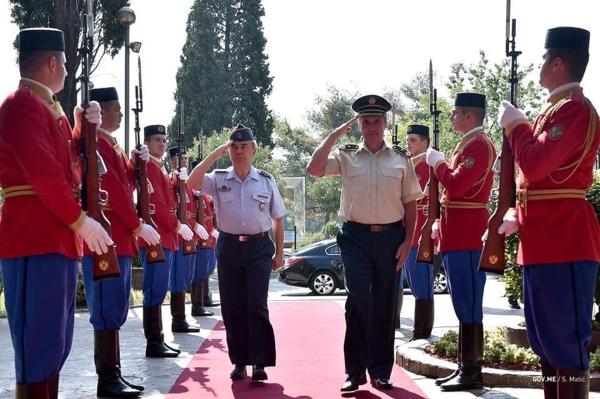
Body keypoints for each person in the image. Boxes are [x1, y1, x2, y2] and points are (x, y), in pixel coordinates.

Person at [0, 27, 113, 398]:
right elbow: (46, 177)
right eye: (64, 63)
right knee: (38, 346)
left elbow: (72, 169)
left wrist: (85, 127)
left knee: (54, 345)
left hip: (56, 238)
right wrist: (82, 222)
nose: (66, 70)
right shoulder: (20, 105)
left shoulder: (51, 110)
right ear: (52, 62)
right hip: (35, 238)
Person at [497, 26, 600, 398]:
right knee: (545, 345)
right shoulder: (557, 110)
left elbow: (537, 163)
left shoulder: (573, 110)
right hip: (544, 239)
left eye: (543, 58)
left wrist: (516, 125)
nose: (539, 65)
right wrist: (515, 213)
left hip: (564, 241)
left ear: (558, 62)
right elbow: (539, 181)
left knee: (566, 347)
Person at [307, 95, 422, 391]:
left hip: (390, 237)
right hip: (355, 237)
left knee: (385, 304)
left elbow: (411, 203)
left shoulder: (401, 158)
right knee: (358, 299)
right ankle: (354, 372)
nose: (371, 126)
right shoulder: (346, 155)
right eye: (366, 121)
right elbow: (314, 168)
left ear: (385, 124)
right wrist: (334, 135)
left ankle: (381, 370)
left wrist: (408, 241)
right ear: (358, 125)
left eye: (376, 121)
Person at [77, 87, 161, 397]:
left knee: (115, 307)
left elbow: (124, 182)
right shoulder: (95, 142)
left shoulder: (110, 145)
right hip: (107, 237)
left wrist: (136, 165)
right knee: (107, 308)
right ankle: (107, 379)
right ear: (103, 111)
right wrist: (138, 225)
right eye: (116, 108)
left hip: (118, 239)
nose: (121, 114)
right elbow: (114, 192)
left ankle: (114, 374)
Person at [186, 123, 286, 382]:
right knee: (232, 307)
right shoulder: (218, 178)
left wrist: (279, 253)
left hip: (259, 247)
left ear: (254, 150)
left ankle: (260, 362)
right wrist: (213, 154)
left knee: (256, 304)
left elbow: (278, 218)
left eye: (244, 147)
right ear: (229, 151)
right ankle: (240, 362)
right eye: (234, 147)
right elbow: (191, 182)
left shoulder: (266, 179)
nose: (239, 151)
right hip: (229, 247)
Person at [425, 92, 496, 391]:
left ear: (469, 115)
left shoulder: (479, 145)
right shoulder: (468, 143)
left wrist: (439, 164)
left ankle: (472, 371)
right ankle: (464, 367)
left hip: (467, 233)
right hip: (457, 232)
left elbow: (455, 184)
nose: (452, 117)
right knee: (460, 301)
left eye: (455, 113)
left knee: (468, 302)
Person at [140, 125, 194, 357]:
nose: (162, 144)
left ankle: (159, 338)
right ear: (147, 143)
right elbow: (159, 206)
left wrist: (176, 180)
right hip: (157, 239)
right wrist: (177, 226)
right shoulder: (149, 167)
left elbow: (171, 199)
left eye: (163, 140)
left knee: (160, 289)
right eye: (157, 140)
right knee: (154, 290)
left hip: (166, 239)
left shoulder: (159, 168)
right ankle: (153, 342)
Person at [167, 146, 208, 333]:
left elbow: (191, 208)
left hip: (190, 237)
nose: (184, 161)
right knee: (178, 278)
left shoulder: (186, 183)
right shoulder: (172, 181)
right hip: (180, 236)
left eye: (185, 158)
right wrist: (194, 225)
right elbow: (176, 210)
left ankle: (182, 317)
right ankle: (178, 319)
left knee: (185, 277)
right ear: (172, 161)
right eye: (180, 158)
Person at [403, 124, 435, 339]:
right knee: (415, 284)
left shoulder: (429, 165)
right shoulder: (410, 165)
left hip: (422, 232)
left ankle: (422, 331)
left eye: (413, 140)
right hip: (409, 233)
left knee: (423, 284)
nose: (409, 144)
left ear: (425, 142)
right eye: (408, 140)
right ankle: (420, 329)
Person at [190, 191, 220, 317]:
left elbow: (211, 215)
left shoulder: (207, 197)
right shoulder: (196, 197)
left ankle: (205, 298)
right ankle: (197, 305)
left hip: (210, 239)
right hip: (201, 239)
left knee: (207, 270)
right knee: (200, 272)